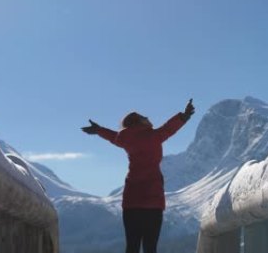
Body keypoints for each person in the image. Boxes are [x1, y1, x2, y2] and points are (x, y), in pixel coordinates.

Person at [81, 99, 196, 253]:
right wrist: (184, 116)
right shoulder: (155, 136)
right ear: (139, 122)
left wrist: (98, 130)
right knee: (150, 247)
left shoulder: (124, 138)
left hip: (131, 201)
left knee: (132, 246)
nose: (148, 118)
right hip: (153, 201)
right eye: (144, 117)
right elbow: (169, 129)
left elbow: (113, 136)